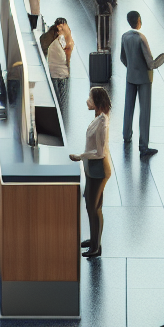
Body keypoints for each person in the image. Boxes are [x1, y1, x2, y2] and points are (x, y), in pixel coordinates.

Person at [61, 86, 115, 261]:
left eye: (90, 98)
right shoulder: (98, 118)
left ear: (97, 101)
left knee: (93, 208)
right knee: (93, 206)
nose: (87, 101)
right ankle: (94, 240)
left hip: (99, 170)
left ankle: (95, 247)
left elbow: (100, 153)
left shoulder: (102, 123)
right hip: (93, 169)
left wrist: (80, 156)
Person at [118, 9, 164, 156]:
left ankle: (126, 135)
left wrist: (132, 67)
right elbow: (151, 63)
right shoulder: (141, 38)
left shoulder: (124, 36)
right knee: (144, 111)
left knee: (128, 107)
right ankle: (143, 145)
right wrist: (163, 57)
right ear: (138, 20)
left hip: (130, 77)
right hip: (144, 79)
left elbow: (122, 58)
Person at [44, 19, 73, 111]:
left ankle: (58, 117)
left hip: (52, 73)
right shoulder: (62, 39)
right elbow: (66, 57)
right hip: (62, 75)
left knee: (55, 100)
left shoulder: (51, 42)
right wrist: (69, 68)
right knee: (64, 103)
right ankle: (63, 119)